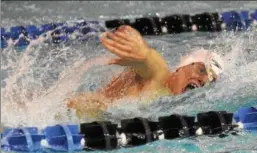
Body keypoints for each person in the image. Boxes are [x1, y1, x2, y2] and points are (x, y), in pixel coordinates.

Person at [66, 25, 224, 119]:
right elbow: (151, 61)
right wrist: (142, 51)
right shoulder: (160, 76)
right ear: (183, 66)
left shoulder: (170, 102)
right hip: (68, 114)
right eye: (201, 69)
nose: (202, 79)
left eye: (210, 79)